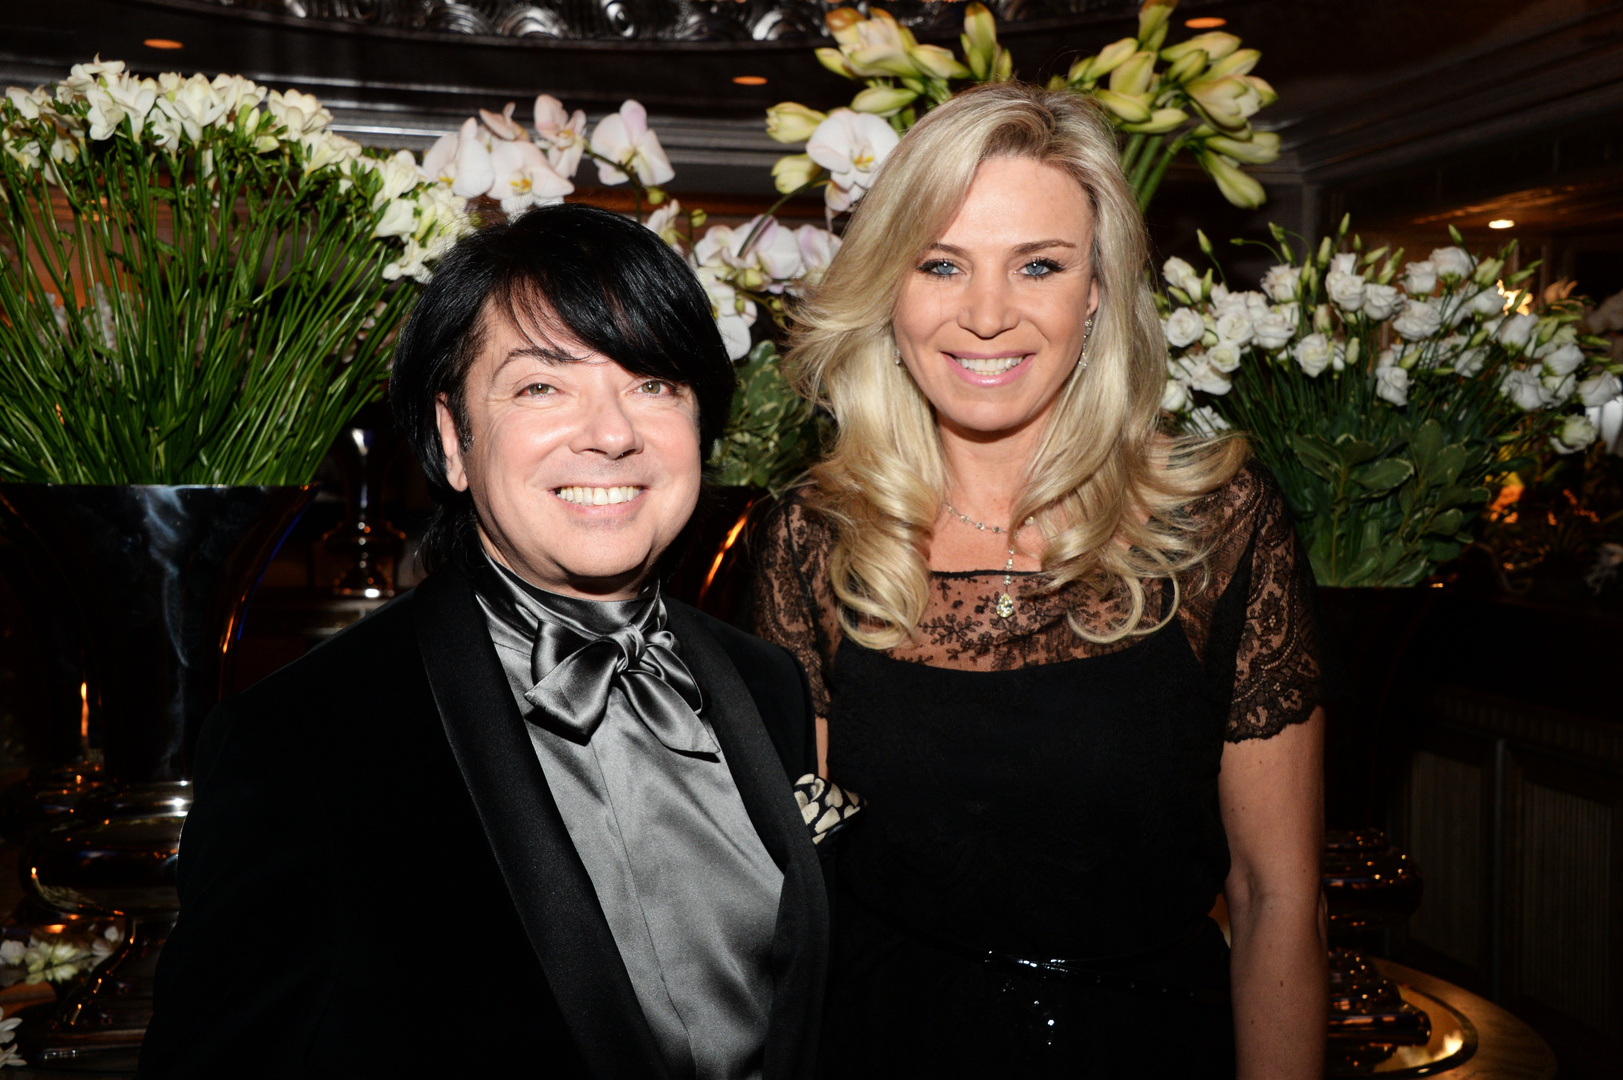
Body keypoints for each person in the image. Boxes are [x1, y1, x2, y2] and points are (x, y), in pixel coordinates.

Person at [139, 204, 829, 1080]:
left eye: (653, 383)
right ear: (451, 438)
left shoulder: (767, 685)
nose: (612, 433)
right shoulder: (304, 741)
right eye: (542, 386)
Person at [751, 83, 1328, 1079]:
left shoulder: (1217, 526)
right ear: (890, 287)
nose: (986, 315)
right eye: (940, 264)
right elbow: (788, 888)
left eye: (1038, 265)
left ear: (1095, 288)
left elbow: (1277, 896)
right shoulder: (818, 537)